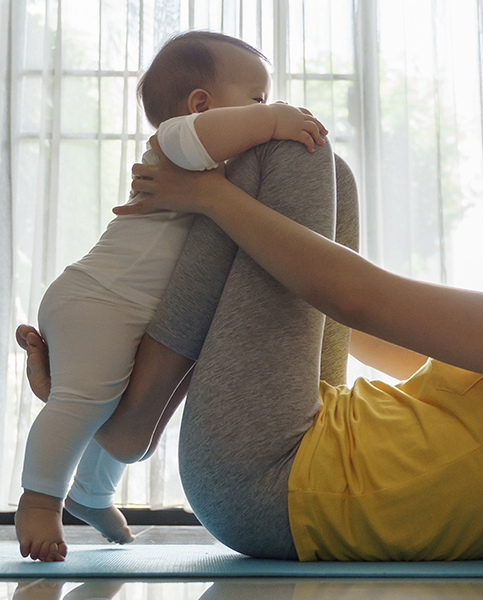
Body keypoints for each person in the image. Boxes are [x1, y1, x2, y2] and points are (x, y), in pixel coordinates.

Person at [18, 136, 483, 560]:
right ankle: (114, 395)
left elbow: (357, 299)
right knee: (326, 177)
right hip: (284, 471)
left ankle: (125, 415)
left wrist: (208, 195)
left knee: (289, 155)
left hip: (273, 476)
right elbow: (361, 333)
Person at [14, 30, 331, 563]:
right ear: (201, 106)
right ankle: (39, 500)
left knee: (118, 405)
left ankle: (91, 492)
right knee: (86, 399)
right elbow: (213, 137)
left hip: (122, 308)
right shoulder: (177, 141)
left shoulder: (217, 175)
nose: (264, 108)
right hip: (100, 300)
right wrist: (274, 120)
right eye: (255, 98)